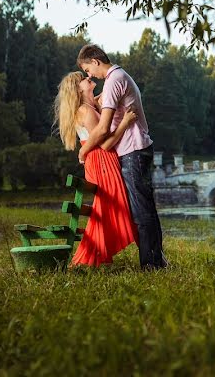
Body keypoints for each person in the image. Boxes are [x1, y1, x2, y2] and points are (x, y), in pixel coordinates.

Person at [76, 44, 168, 270]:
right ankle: (157, 261)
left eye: (88, 69)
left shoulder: (113, 80)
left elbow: (104, 129)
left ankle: (151, 265)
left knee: (141, 211)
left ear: (96, 62)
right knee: (144, 208)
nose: (89, 75)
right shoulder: (118, 77)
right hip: (136, 149)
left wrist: (84, 150)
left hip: (132, 151)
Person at [54, 71, 138, 267]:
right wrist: (125, 123)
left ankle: (100, 255)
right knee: (109, 206)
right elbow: (106, 143)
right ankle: (90, 256)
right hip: (101, 161)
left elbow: (107, 96)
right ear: (78, 89)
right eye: (83, 79)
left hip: (100, 160)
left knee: (109, 208)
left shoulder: (89, 105)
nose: (87, 78)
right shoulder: (86, 111)